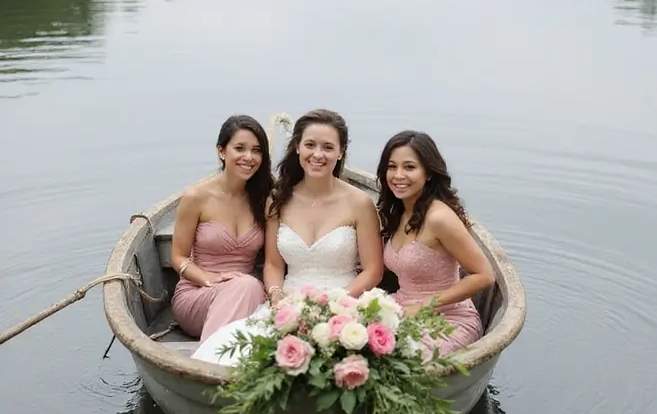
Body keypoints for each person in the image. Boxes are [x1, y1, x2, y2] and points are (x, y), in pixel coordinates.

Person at [192, 108, 384, 365]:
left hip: (345, 302)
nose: (318, 154)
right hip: (289, 303)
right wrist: (276, 296)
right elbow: (273, 264)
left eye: (328, 147)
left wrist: (339, 302)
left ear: (340, 153)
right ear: (297, 148)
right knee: (239, 357)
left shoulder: (360, 203)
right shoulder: (279, 199)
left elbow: (373, 271)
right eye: (310, 145)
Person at [377, 130, 495, 357]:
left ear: (428, 173)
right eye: (392, 167)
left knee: (397, 356)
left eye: (409, 167)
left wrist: (422, 307)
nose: (398, 175)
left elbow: (484, 275)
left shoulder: (439, 218)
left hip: (447, 318)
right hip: (401, 306)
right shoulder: (398, 212)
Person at [171, 115, 272, 343]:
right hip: (198, 293)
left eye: (256, 150)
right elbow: (178, 257)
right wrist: (207, 278)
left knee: (249, 286)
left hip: (248, 294)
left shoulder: (264, 199)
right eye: (239, 148)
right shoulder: (196, 197)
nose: (249, 157)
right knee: (246, 285)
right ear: (221, 151)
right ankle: (210, 361)